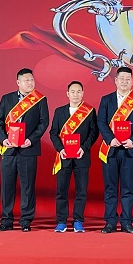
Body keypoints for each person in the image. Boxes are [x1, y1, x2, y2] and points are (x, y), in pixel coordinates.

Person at [0, 68, 49, 232]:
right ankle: (6, 220)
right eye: (27, 80)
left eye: (32, 80)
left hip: (28, 149)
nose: (30, 83)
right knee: (7, 186)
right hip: (8, 150)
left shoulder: (40, 100)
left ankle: (26, 221)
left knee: (27, 186)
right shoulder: (7, 98)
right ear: (18, 82)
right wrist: (3, 139)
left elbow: (43, 123)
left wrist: (31, 140)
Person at [97, 67, 133, 234]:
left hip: (129, 150)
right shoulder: (106, 99)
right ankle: (110, 222)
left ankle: (126, 222)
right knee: (110, 188)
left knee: (128, 188)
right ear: (116, 80)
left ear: (132, 82)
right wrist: (110, 139)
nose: (125, 81)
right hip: (110, 149)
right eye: (122, 78)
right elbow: (101, 122)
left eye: (128, 79)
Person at [49, 81, 99, 233]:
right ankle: (61, 221)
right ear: (67, 94)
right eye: (73, 91)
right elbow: (53, 133)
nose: (75, 94)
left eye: (78, 91)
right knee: (61, 190)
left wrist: (84, 148)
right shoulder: (59, 111)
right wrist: (60, 149)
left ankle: (78, 220)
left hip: (82, 156)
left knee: (81, 191)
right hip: (64, 156)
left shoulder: (89, 111)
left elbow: (94, 133)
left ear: (82, 93)